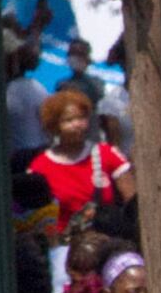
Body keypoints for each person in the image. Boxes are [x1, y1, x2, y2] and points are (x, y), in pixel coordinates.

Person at [17, 93, 125, 237]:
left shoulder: (107, 153)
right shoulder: (40, 167)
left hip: (106, 241)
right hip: (64, 248)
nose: (77, 124)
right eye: (69, 120)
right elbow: (34, 217)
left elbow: (131, 199)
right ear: (54, 126)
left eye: (81, 117)